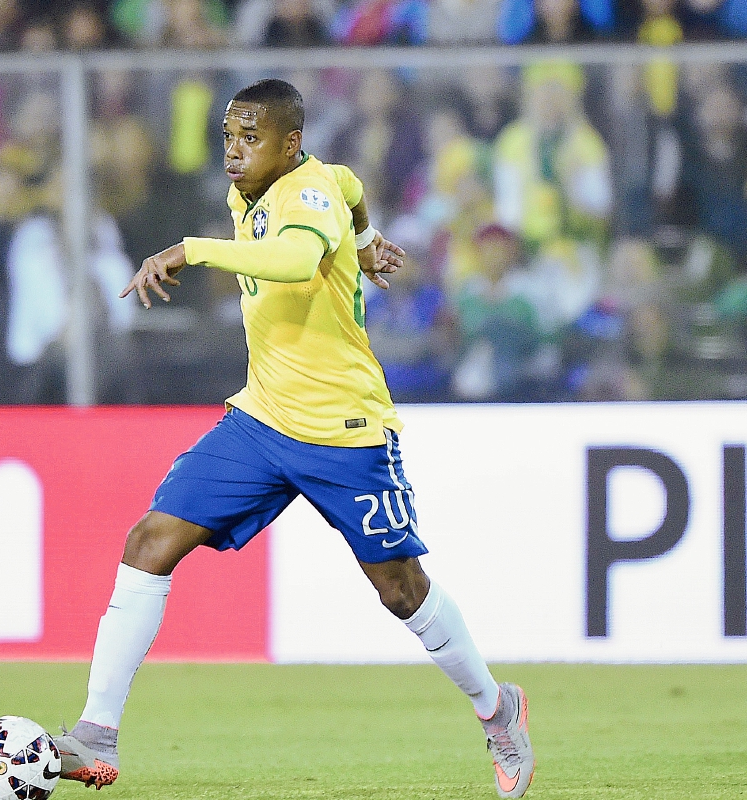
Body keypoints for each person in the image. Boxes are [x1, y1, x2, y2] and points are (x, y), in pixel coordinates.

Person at [51, 79, 535, 799]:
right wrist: (367, 239)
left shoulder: (304, 197)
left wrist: (193, 249)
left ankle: (498, 710)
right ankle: (95, 733)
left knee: (400, 590)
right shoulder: (286, 187)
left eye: (250, 139)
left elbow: (297, 259)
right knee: (150, 541)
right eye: (228, 138)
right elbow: (352, 180)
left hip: (344, 430)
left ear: (290, 142)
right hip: (260, 421)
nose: (234, 153)